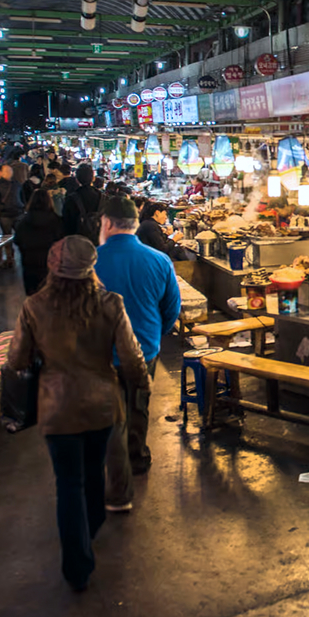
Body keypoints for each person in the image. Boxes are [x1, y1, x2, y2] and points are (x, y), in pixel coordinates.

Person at [6, 236, 149, 591]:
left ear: (52, 269)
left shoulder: (34, 306)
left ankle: (76, 566)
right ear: (91, 267)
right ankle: (91, 526)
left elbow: (15, 361)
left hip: (56, 411)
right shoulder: (110, 303)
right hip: (102, 406)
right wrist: (143, 385)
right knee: (92, 473)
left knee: (68, 484)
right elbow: (131, 358)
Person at [95, 197, 181, 509]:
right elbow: (172, 308)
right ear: (135, 223)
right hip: (145, 347)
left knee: (108, 409)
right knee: (138, 405)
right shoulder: (159, 260)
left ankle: (112, 469)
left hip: (102, 351)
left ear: (106, 224)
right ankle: (137, 457)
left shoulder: (91, 260)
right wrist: (155, 334)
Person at [13, 190, 65, 295]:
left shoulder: (23, 221)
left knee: (33, 295)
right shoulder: (56, 221)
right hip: (51, 263)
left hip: (30, 263)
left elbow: (17, 240)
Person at [63, 164, 104, 244]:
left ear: (77, 180)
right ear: (93, 178)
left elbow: (66, 224)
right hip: (98, 242)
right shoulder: (104, 198)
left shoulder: (71, 199)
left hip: (76, 242)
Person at [0, 163, 24, 237]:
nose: (9, 172)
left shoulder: (16, 183)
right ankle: (9, 248)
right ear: (1, 172)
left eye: (10, 170)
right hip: (5, 215)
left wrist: (22, 206)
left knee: (21, 234)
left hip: (18, 212)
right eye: (6, 171)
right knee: (6, 236)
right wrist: (1, 207)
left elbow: (22, 196)